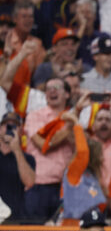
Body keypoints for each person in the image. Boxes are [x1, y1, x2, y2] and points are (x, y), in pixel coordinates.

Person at [23, 77, 74, 222]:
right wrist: (69, 128)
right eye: (48, 88)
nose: (52, 90)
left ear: (67, 94)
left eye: (57, 87)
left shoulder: (73, 118)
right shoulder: (35, 116)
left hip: (66, 188)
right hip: (39, 187)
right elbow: (44, 146)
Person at [59, 111, 106, 220]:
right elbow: (82, 153)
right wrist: (76, 122)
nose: (102, 158)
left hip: (90, 226)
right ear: (92, 155)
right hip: (72, 227)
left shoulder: (92, 176)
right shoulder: (75, 173)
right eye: (100, 154)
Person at [0, 112, 35, 222]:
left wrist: (16, 149)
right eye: (6, 125)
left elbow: (29, 182)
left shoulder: (28, 158)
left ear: (20, 131)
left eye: (13, 126)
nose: (9, 129)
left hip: (15, 219)